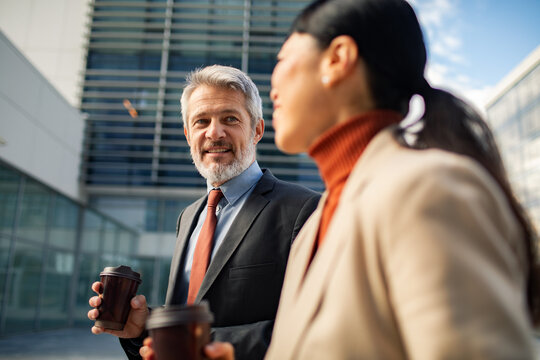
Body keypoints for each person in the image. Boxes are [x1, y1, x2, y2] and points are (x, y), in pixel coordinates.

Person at [164, 0, 539, 359]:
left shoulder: (426, 188)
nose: (273, 82)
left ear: (337, 59)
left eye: (283, 59)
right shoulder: (325, 216)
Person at [87, 65, 320, 360]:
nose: (214, 132)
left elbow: (319, 326)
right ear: (188, 134)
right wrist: (143, 326)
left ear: (257, 130)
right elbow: (189, 310)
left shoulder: (304, 209)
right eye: (201, 121)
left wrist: (196, 344)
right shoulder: (189, 217)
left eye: (230, 119)